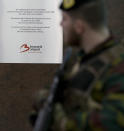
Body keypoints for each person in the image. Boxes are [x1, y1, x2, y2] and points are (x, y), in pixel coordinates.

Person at [31, 0, 124, 130]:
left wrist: (56, 117)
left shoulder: (118, 65)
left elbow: (111, 123)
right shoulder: (80, 60)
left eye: (64, 19)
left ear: (79, 27)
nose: (60, 24)